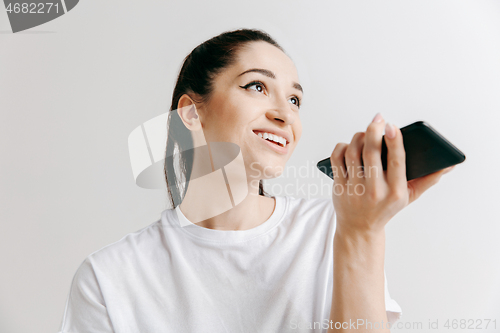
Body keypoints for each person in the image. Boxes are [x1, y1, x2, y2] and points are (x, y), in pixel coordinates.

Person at [58, 28, 455, 333]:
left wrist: (361, 235)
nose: (285, 115)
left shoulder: (333, 231)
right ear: (191, 115)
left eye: (295, 99)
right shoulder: (108, 279)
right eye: (257, 86)